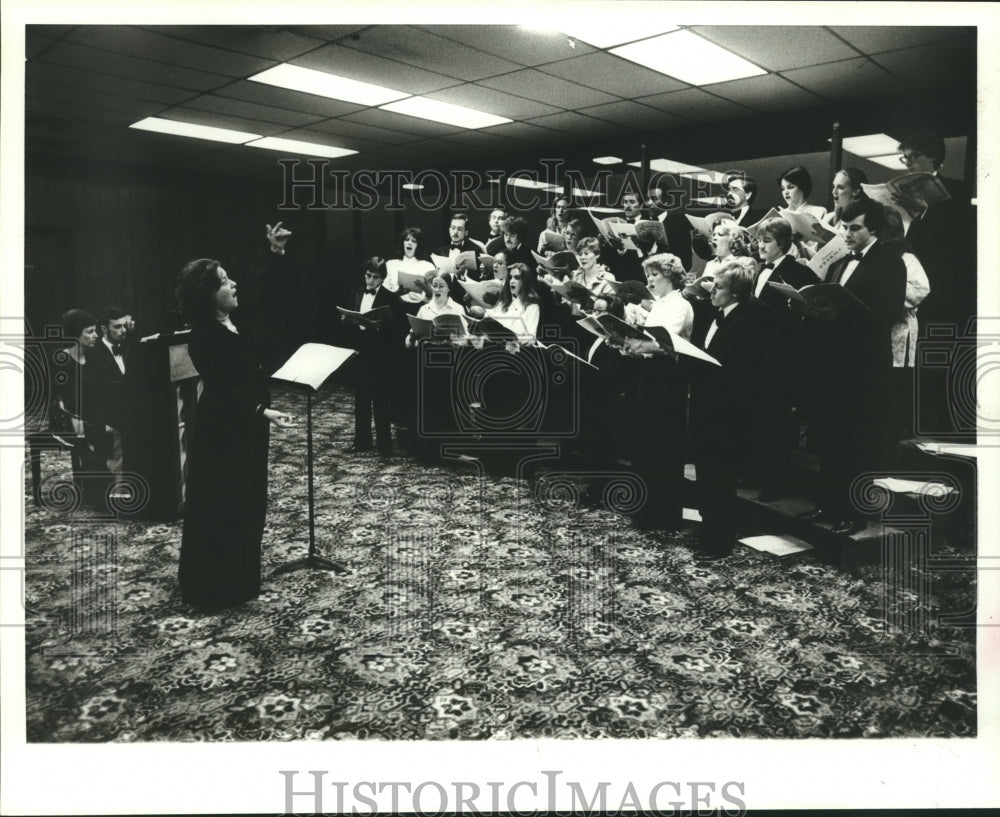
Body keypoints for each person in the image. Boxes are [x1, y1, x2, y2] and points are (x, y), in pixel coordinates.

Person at [174, 257, 293, 609]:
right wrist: (262, 411)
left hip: (246, 425)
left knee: (248, 501)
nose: (234, 285)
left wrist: (274, 255)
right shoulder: (204, 335)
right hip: (224, 428)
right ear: (209, 295)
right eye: (225, 281)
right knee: (223, 503)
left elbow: (265, 299)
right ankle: (213, 587)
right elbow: (225, 389)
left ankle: (240, 581)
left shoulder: (230, 322)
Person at [795, 199, 906, 535]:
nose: (847, 233)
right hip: (832, 366)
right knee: (830, 439)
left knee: (856, 442)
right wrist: (810, 310)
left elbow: (884, 318)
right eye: (844, 227)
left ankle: (852, 514)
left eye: (855, 227)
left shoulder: (891, 264)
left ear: (874, 228)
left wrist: (838, 315)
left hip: (863, 369)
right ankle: (827, 504)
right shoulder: (840, 263)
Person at [689, 263, 767, 561]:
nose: (712, 291)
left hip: (725, 413)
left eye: (718, 287)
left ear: (734, 292)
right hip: (705, 405)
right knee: (706, 475)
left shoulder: (745, 323)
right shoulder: (715, 316)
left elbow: (734, 371)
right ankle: (709, 532)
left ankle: (719, 541)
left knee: (719, 478)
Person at [618, 254, 693, 532]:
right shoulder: (660, 304)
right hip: (651, 377)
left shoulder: (679, 305)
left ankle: (663, 514)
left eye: (655, 275)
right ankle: (646, 509)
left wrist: (633, 344)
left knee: (663, 445)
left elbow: (664, 345)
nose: (649, 280)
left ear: (671, 276)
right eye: (648, 274)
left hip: (668, 381)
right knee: (647, 442)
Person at [342, 257, 406, 458]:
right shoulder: (356, 293)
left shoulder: (391, 298)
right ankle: (362, 442)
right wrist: (346, 320)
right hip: (360, 353)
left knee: (380, 401)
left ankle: (385, 446)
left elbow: (399, 329)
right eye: (368, 276)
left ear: (382, 279)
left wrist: (380, 327)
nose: (370, 281)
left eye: (375, 277)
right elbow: (349, 324)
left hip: (380, 355)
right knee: (360, 399)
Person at [87, 306, 131, 476]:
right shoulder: (93, 353)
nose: (123, 330)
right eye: (117, 327)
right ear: (104, 329)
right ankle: (117, 490)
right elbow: (97, 391)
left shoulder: (128, 348)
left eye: (124, 326)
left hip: (125, 410)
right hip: (106, 415)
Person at [405, 271, 468, 347]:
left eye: (441, 286)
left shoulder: (458, 309)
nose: (437, 289)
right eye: (434, 286)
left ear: (448, 288)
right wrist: (412, 338)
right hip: (427, 353)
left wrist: (450, 338)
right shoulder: (424, 309)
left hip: (450, 353)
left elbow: (466, 341)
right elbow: (411, 345)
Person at [485, 262, 541, 344]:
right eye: (510, 277)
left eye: (517, 277)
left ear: (525, 281)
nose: (512, 281)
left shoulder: (532, 307)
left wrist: (513, 339)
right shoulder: (501, 301)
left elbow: (531, 339)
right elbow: (487, 320)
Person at [381, 227, 435, 305]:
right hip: (396, 307)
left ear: (418, 245)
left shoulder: (428, 266)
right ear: (403, 243)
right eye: (407, 240)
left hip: (420, 308)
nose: (409, 243)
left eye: (414, 241)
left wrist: (427, 291)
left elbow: (433, 298)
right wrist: (396, 294)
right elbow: (383, 294)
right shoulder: (390, 264)